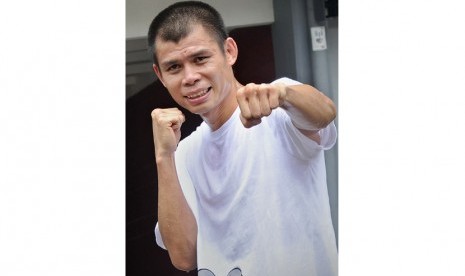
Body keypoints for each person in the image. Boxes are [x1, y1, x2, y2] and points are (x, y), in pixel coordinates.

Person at [148, 1, 338, 275]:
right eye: (174, 67)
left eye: (200, 59)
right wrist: (164, 157)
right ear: (160, 76)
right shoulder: (183, 152)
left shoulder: (279, 108)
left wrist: (284, 95)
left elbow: (325, 114)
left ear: (229, 51)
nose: (190, 77)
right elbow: (184, 257)